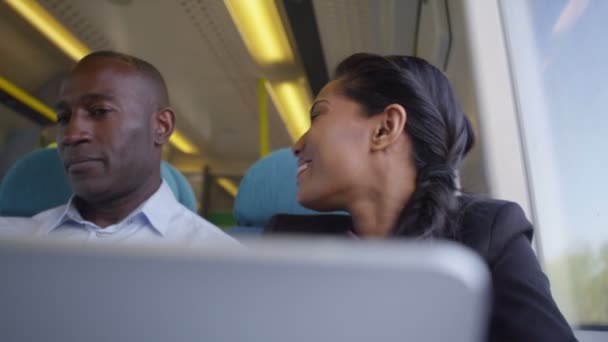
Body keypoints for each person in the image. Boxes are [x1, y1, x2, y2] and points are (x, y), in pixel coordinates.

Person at [283, 53, 576, 341]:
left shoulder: (486, 234)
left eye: (317, 115)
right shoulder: (285, 248)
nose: (297, 145)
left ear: (384, 129)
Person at [3, 51, 235, 245]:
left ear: (161, 126)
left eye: (99, 112)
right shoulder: (10, 242)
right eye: (64, 118)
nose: (71, 135)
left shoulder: (218, 259)